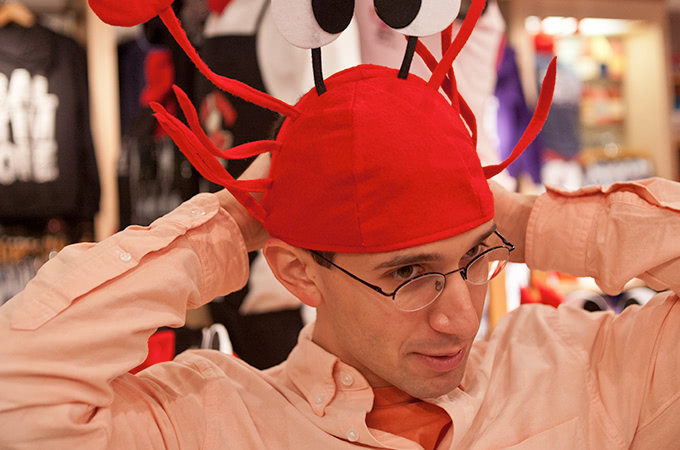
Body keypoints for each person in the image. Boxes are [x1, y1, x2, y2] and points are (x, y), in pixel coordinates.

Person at [1, 1, 679, 449]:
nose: (459, 316)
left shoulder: (578, 371)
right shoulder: (209, 423)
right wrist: (234, 225)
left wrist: (522, 219)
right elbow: (16, 389)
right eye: (408, 273)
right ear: (296, 269)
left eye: (476, 259)